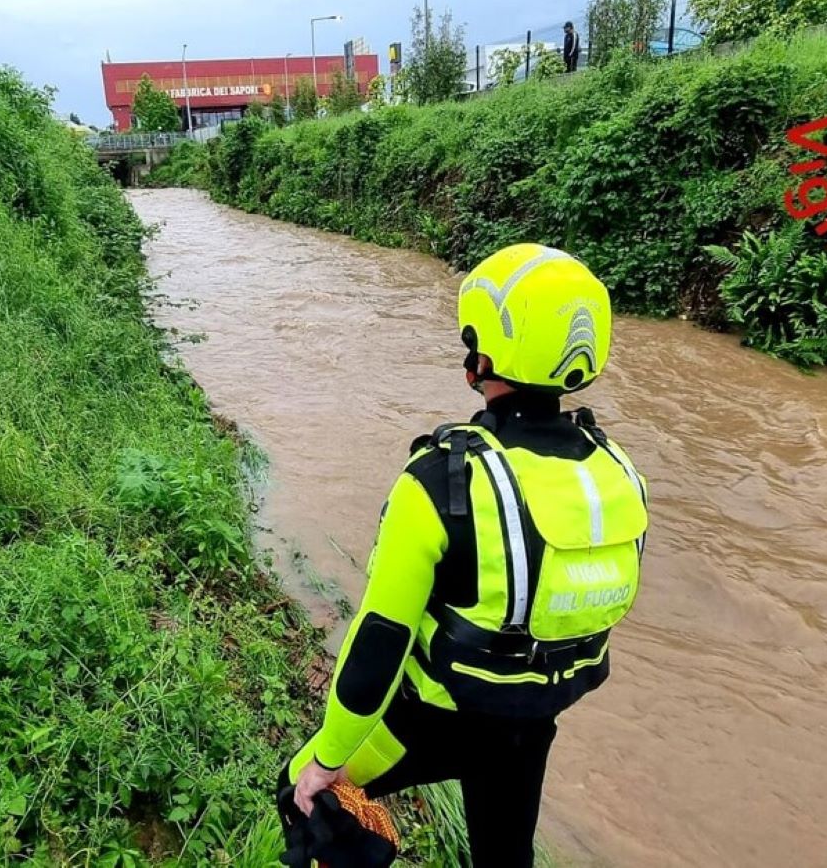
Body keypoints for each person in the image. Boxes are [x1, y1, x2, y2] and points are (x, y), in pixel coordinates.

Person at [278, 243, 649, 868]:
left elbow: (379, 643)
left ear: (483, 354)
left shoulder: (441, 479)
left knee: (301, 793)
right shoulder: (619, 473)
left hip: (430, 721)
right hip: (528, 725)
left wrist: (326, 759)